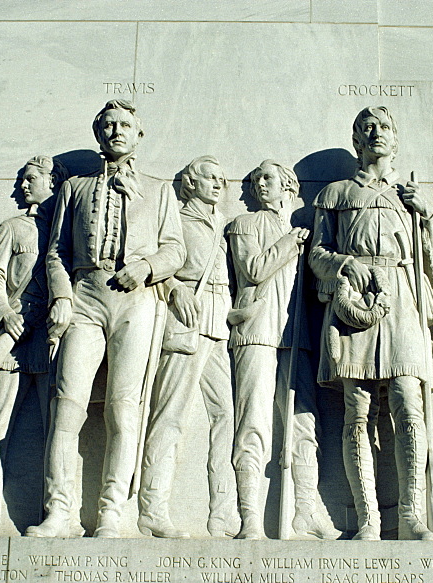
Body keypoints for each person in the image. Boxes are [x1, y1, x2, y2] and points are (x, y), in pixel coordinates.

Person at [26, 100, 184, 538]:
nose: (117, 130)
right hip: (86, 294)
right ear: (99, 134)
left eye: (125, 125)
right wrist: (61, 293)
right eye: (109, 125)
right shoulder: (75, 188)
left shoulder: (159, 190)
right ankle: (58, 511)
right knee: (68, 404)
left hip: (136, 298)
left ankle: (113, 511)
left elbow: (176, 249)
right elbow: (57, 251)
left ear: (139, 134)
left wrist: (148, 267)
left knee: (123, 408)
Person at [309, 107, 433, 541]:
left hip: (403, 295)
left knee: (409, 401)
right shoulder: (336, 192)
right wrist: (346, 264)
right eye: (367, 128)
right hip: (353, 302)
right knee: (359, 409)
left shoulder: (411, 198)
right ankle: (369, 517)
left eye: (385, 127)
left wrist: (427, 216)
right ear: (357, 140)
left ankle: (411, 514)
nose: (376, 134)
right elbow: (317, 254)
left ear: (395, 139)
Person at [229, 159, 338, 540]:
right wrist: (290, 242)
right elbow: (254, 270)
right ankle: (250, 519)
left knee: (304, 423)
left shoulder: (302, 233)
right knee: (253, 423)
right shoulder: (246, 225)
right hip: (256, 332)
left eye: (268, 178)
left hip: (295, 337)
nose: (261, 184)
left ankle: (305, 509)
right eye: (256, 178)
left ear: (287, 186)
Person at [138, 155, 238, 539]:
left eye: (221, 178)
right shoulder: (176, 217)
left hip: (219, 324)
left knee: (225, 416)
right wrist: (174, 288)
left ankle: (222, 512)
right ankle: (153, 507)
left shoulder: (219, 225)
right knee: (171, 416)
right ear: (191, 183)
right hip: (185, 325)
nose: (218, 183)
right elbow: (153, 265)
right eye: (210, 177)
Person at [0, 155, 67, 536]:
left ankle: (58, 514)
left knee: (58, 433)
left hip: (49, 338)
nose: (22, 186)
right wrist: (3, 313)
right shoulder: (12, 228)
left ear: (52, 183)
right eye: (21, 180)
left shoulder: (67, 233)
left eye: (31, 179)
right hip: (12, 338)